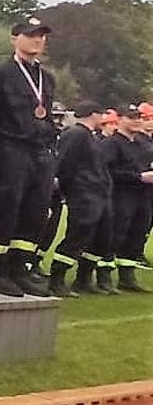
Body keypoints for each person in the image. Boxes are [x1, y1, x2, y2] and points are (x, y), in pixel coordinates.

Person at [0, 15, 57, 297]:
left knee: (34, 212)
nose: (37, 39)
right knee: (6, 209)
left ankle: (19, 267)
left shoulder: (46, 77)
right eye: (31, 34)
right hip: (8, 148)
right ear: (15, 38)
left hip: (38, 151)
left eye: (41, 35)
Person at [54, 103, 112, 297]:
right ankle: (57, 278)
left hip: (99, 193)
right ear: (93, 114)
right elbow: (64, 163)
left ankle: (83, 278)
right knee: (76, 236)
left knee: (100, 238)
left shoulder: (92, 137)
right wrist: (70, 188)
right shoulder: (76, 134)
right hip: (84, 193)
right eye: (101, 113)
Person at [107, 105, 153, 293]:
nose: (136, 120)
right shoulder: (112, 144)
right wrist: (138, 177)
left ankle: (127, 276)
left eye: (139, 117)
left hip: (143, 195)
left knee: (137, 234)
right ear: (120, 119)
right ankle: (103, 276)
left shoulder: (143, 144)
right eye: (131, 117)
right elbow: (108, 171)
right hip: (121, 194)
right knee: (116, 234)